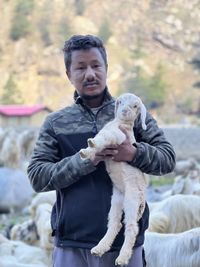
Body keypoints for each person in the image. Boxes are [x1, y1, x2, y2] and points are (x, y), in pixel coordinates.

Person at [27, 34, 176, 267]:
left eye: (96, 65)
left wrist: (134, 153)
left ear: (106, 68)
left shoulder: (131, 111)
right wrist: (86, 159)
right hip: (72, 245)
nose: (90, 74)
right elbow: (38, 177)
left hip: (125, 246)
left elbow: (167, 159)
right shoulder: (56, 123)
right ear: (69, 74)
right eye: (80, 67)